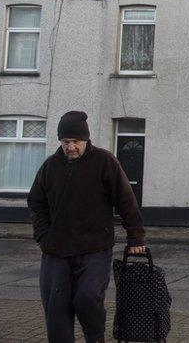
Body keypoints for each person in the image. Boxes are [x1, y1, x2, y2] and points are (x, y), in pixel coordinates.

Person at [27, 111, 146, 343]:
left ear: (85, 140)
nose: (71, 147)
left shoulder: (104, 162)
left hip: (95, 248)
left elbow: (126, 201)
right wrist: (43, 235)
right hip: (56, 250)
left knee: (88, 297)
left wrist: (136, 238)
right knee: (56, 309)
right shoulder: (50, 166)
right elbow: (36, 202)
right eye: (65, 142)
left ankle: (95, 338)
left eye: (75, 142)